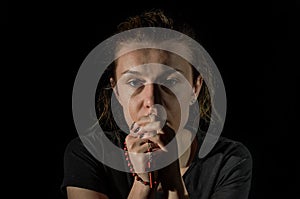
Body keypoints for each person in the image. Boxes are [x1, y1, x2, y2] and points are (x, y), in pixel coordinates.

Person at [61, 9, 252, 199]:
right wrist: (143, 182)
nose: (152, 102)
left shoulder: (229, 161)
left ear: (195, 87)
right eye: (134, 82)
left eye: (170, 81)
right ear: (117, 91)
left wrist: (174, 184)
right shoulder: (89, 153)